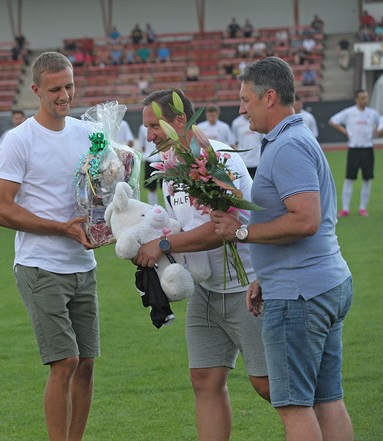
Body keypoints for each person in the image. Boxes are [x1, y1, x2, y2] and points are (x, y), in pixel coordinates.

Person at [211, 56, 354, 441]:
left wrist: (241, 234)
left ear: (269, 97)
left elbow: (304, 220)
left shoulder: (288, 145)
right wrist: (265, 276)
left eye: (246, 100)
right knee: (327, 400)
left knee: (295, 407)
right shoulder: (294, 137)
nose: (241, 109)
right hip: (316, 283)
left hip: (301, 294)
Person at [135, 89, 270, 440]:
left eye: (154, 126)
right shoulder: (169, 169)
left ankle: (324, 417)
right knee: (204, 380)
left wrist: (162, 244)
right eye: (146, 127)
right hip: (206, 290)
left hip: (248, 286)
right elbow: (185, 226)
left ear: (179, 120)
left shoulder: (221, 157)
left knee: (268, 385)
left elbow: (222, 228)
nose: (149, 135)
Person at [0, 51, 99, 441]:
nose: (64, 95)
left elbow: (94, 196)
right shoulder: (19, 139)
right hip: (41, 265)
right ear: (36, 90)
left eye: (69, 86)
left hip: (84, 263)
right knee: (64, 361)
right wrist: (59, 229)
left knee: (85, 363)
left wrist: (106, 218)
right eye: (55, 89)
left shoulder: (88, 134)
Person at [329, 89, 380, 217]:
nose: (365, 100)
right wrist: (346, 132)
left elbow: (380, 125)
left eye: (366, 98)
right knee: (349, 178)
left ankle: (363, 208)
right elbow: (332, 121)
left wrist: (378, 132)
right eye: (362, 98)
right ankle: (345, 208)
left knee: (367, 179)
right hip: (354, 149)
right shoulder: (349, 112)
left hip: (368, 149)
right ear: (356, 99)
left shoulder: (372, 113)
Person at [137, 123, 161, 206]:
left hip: (163, 159)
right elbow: (142, 143)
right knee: (151, 187)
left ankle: (170, 211)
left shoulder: (163, 124)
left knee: (167, 187)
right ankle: (153, 207)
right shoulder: (142, 127)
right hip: (150, 159)